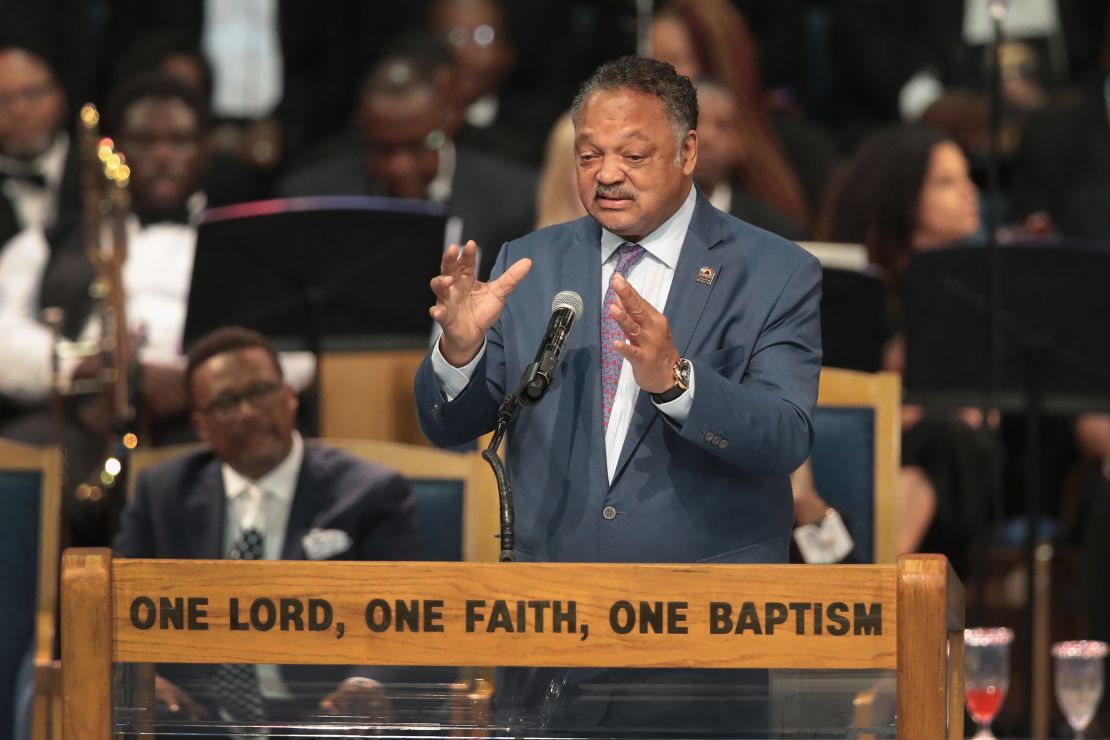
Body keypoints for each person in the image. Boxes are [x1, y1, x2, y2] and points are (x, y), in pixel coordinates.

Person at [415, 55, 821, 730]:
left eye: (633, 154)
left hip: (699, 647)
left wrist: (677, 381)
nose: (606, 174)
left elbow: (783, 435)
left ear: (688, 150)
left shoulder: (776, 271)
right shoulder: (531, 263)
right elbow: (449, 426)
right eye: (589, 155)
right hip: (549, 638)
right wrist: (459, 350)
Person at [113, 325, 420, 726]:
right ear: (201, 425)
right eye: (226, 403)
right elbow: (109, 609)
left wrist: (364, 687)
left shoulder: (370, 492)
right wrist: (144, 680)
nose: (248, 412)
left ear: (290, 396)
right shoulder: (163, 492)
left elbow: (412, 617)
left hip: (320, 721)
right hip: (193, 723)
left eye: (261, 391)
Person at [817, 123, 996, 572]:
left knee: (945, 441)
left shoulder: (982, 289)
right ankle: (886, 588)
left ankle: (872, 585)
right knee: (933, 447)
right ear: (903, 192)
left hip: (965, 454)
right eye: (946, 182)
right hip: (861, 435)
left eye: (966, 178)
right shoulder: (855, 289)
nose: (969, 192)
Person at [280, 52, 536, 279]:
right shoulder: (314, 200)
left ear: (449, 122)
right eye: (383, 149)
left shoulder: (513, 198)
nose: (400, 166)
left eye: (417, 146)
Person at [0, 41, 78, 252]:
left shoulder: (101, 170)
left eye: (32, 93)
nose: (19, 109)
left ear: (61, 97)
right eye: (3, 100)